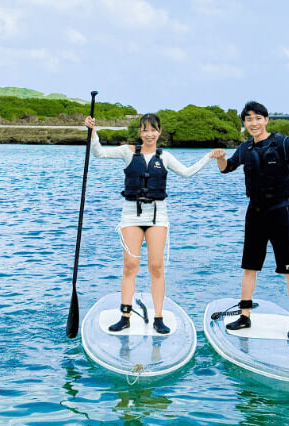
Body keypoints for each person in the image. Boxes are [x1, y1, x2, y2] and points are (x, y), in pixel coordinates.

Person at [85, 113, 224, 334]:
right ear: (140, 132)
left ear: (159, 132)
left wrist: (208, 157)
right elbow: (99, 153)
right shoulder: (127, 152)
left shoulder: (165, 157)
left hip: (158, 217)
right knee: (130, 265)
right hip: (131, 216)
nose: (149, 134)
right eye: (145, 130)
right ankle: (125, 316)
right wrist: (93, 132)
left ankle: (158, 317)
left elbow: (187, 173)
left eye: (153, 130)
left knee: (156, 267)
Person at [216, 101, 289, 340]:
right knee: (249, 267)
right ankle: (245, 316)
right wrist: (220, 158)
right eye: (249, 119)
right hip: (255, 212)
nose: (253, 123)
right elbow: (226, 168)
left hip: (280, 211)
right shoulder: (245, 148)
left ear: (266, 120)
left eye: (258, 118)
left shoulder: (283, 143)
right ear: (244, 123)